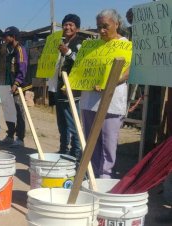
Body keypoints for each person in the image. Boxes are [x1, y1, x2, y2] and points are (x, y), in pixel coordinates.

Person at [80, 9, 130, 178]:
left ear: (117, 24)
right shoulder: (92, 45)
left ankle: (105, 176)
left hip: (112, 101)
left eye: (105, 26)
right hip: (89, 101)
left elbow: (128, 71)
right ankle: (91, 175)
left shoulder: (126, 45)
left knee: (108, 142)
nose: (101, 30)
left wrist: (110, 83)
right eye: (98, 27)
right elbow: (81, 70)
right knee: (90, 142)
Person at [53, 14, 85, 160]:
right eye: (65, 24)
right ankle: (63, 149)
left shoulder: (80, 43)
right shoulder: (59, 43)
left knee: (73, 123)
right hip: (59, 88)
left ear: (77, 28)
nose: (67, 27)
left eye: (71, 24)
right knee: (62, 123)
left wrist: (69, 53)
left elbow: (83, 63)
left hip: (72, 90)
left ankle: (76, 153)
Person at [1, 26, 29, 147]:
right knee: (8, 112)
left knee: (19, 113)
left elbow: (22, 68)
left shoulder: (20, 50)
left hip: (17, 87)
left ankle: (20, 138)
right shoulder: (9, 50)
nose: (5, 39)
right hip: (6, 85)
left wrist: (16, 83)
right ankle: (10, 135)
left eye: (7, 36)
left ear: (13, 36)